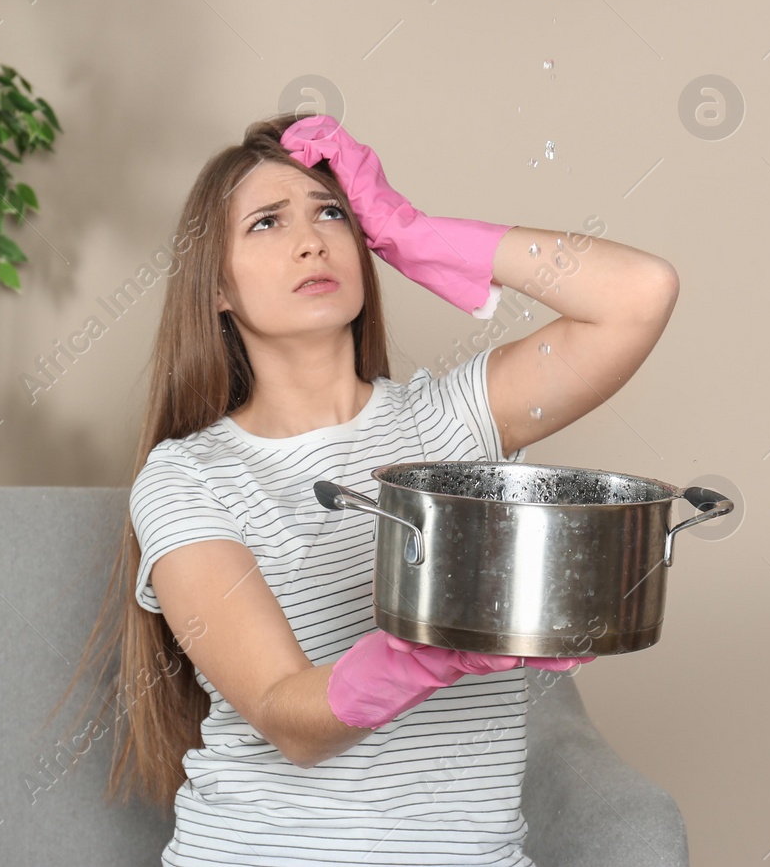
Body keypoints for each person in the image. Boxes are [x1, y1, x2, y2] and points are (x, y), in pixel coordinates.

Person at [53, 112, 679, 865]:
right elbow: (288, 714)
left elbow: (639, 294)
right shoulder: (189, 476)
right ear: (216, 287)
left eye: (331, 213)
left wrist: (413, 231)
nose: (311, 240)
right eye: (265, 223)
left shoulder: (455, 425)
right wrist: (436, 651)